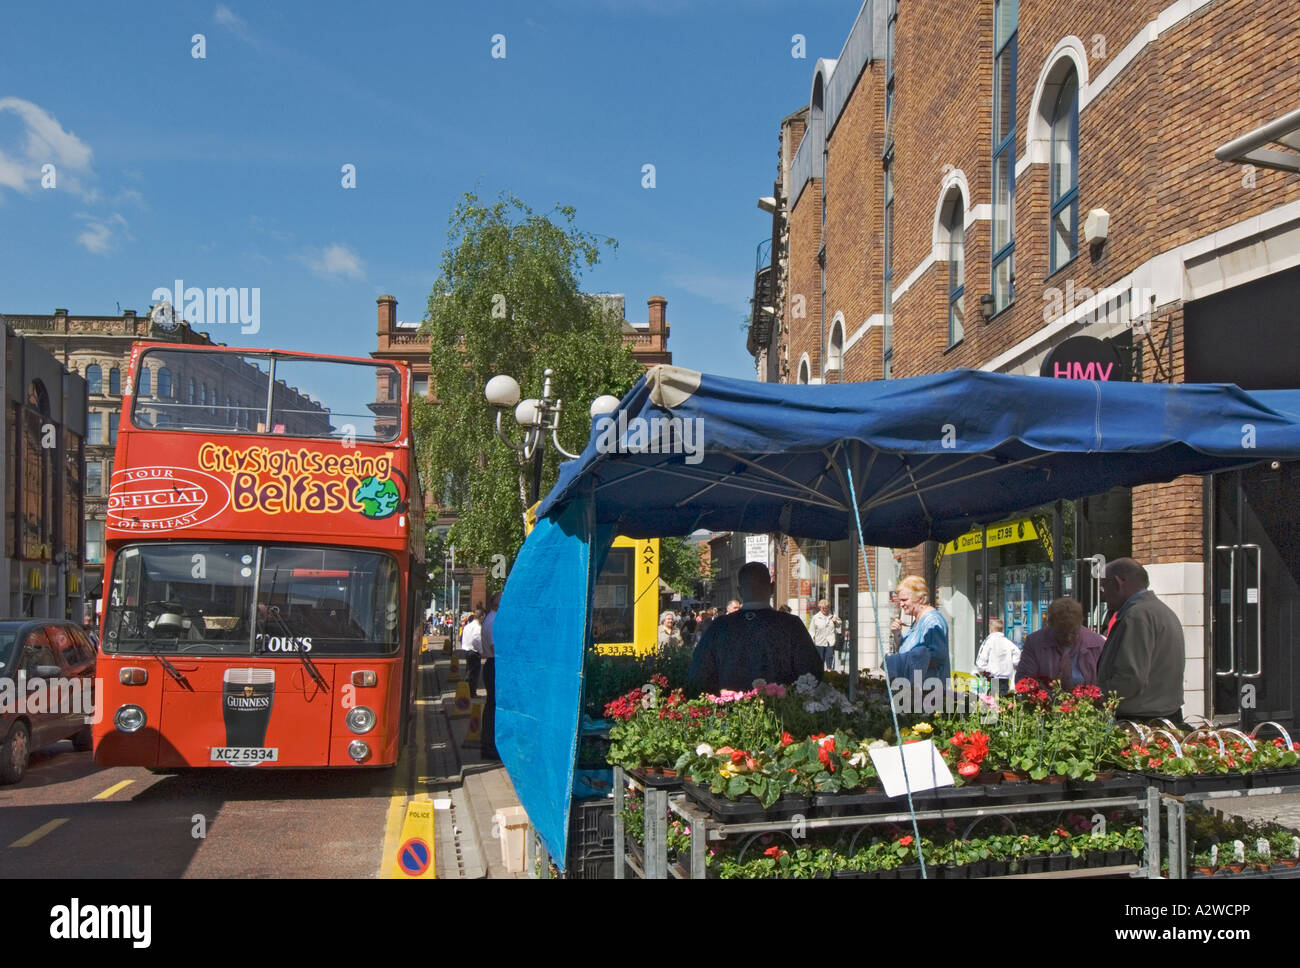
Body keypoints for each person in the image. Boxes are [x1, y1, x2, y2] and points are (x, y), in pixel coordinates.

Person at [689, 562, 823, 694]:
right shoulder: (791, 625)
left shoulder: (720, 626)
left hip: (729, 710)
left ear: (739, 591)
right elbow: (812, 673)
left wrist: (722, 695)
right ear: (772, 588)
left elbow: (698, 673)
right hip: (779, 709)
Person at [1097, 557, 1185, 722]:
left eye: (1104, 586)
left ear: (1118, 582)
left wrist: (1095, 695)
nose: (1103, 596)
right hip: (1160, 713)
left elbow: (1130, 677)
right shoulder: (1159, 610)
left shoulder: (1137, 615)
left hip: (1142, 719)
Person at [1016, 599, 1104, 690]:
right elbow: (1023, 679)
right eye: (1061, 633)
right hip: (1046, 703)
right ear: (1050, 624)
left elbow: (1108, 680)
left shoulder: (1097, 644)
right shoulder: (1034, 643)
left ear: (1080, 623)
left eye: (1073, 632)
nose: (1068, 638)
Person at [885, 575, 951, 686]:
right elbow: (906, 649)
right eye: (900, 600)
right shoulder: (918, 620)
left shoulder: (933, 622)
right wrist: (897, 635)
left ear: (920, 598)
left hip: (929, 694)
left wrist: (900, 662)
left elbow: (937, 656)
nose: (901, 604)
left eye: (904, 600)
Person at [975, 618, 1021, 695]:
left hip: (992, 678)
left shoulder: (988, 641)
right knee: (1003, 702)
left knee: (991, 703)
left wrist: (984, 671)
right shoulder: (1008, 642)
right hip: (1005, 679)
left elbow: (980, 661)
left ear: (991, 629)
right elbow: (1017, 656)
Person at [480, 592, 500, 761]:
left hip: (491, 664)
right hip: (494, 664)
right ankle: (489, 746)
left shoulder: (490, 619)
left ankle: (489, 745)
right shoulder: (493, 621)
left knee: (491, 706)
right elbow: (496, 648)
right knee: (492, 707)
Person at [809, 599, 843, 672]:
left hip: (830, 642)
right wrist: (811, 641)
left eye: (826, 607)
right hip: (819, 642)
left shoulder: (832, 616)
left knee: (829, 658)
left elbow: (839, 624)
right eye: (822, 608)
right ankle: (820, 675)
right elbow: (811, 631)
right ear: (820, 607)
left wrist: (835, 621)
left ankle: (829, 673)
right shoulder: (816, 617)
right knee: (820, 660)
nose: (824, 609)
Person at [460, 604, 484, 694]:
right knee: (474, 674)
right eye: (483, 616)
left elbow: (462, 638)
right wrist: (481, 651)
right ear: (481, 617)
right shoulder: (477, 627)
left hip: (467, 651)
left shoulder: (467, 626)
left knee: (469, 672)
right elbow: (476, 640)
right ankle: (471, 692)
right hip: (474, 652)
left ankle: (467, 691)